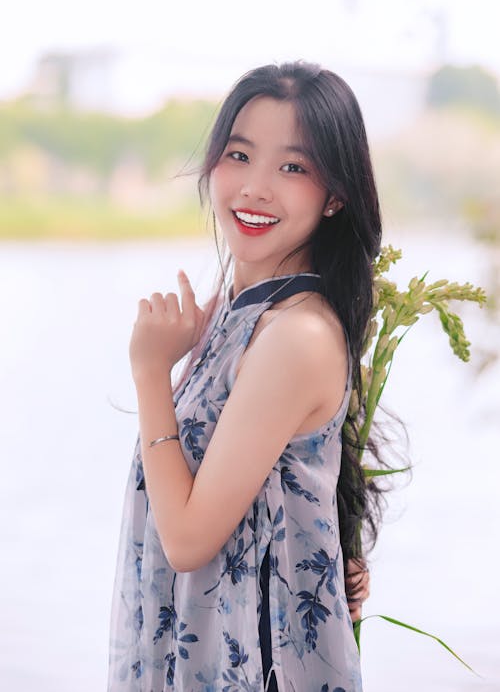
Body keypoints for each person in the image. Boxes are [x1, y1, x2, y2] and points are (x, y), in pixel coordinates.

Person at [107, 60, 381, 692]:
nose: (255, 188)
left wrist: (151, 373)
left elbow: (187, 540)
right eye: (239, 155)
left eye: (293, 167)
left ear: (336, 194)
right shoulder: (245, 318)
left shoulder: (296, 334)